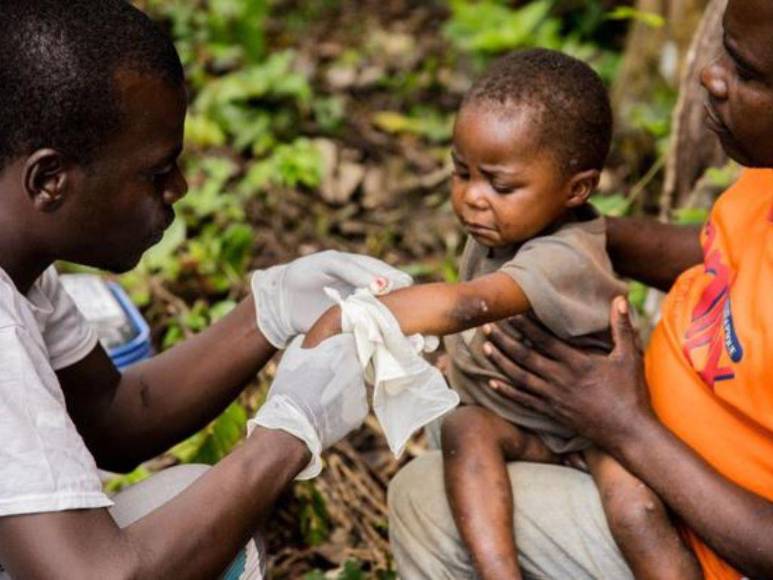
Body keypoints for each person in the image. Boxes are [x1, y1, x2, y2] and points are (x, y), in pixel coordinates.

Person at [0, 1, 413, 578]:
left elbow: (112, 417)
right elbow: (94, 575)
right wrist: (287, 436)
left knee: (187, 507)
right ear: (50, 180)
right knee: (209, 548)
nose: (180, 187)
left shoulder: (22, 266)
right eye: (156, 172)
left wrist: (267, 311)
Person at [388, 0, 773, 578]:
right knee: (462, 436)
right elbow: (721, 252)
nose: (710, 75)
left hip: (701, 535)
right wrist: (564, 244)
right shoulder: (764, 181)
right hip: (629, 441)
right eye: (725, 50)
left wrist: (625, 425)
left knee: (427, 500)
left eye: (746, 71)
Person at [303, 49, 699, 579]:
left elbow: (470, 304)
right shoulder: (503, 229)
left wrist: (352, 317)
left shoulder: (564, 254)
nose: (473, 197)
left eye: (500, 185)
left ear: (577, 189)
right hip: (524, 422)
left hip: (595, 433)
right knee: (466, 429)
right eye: (461, 172)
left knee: (636, 511)